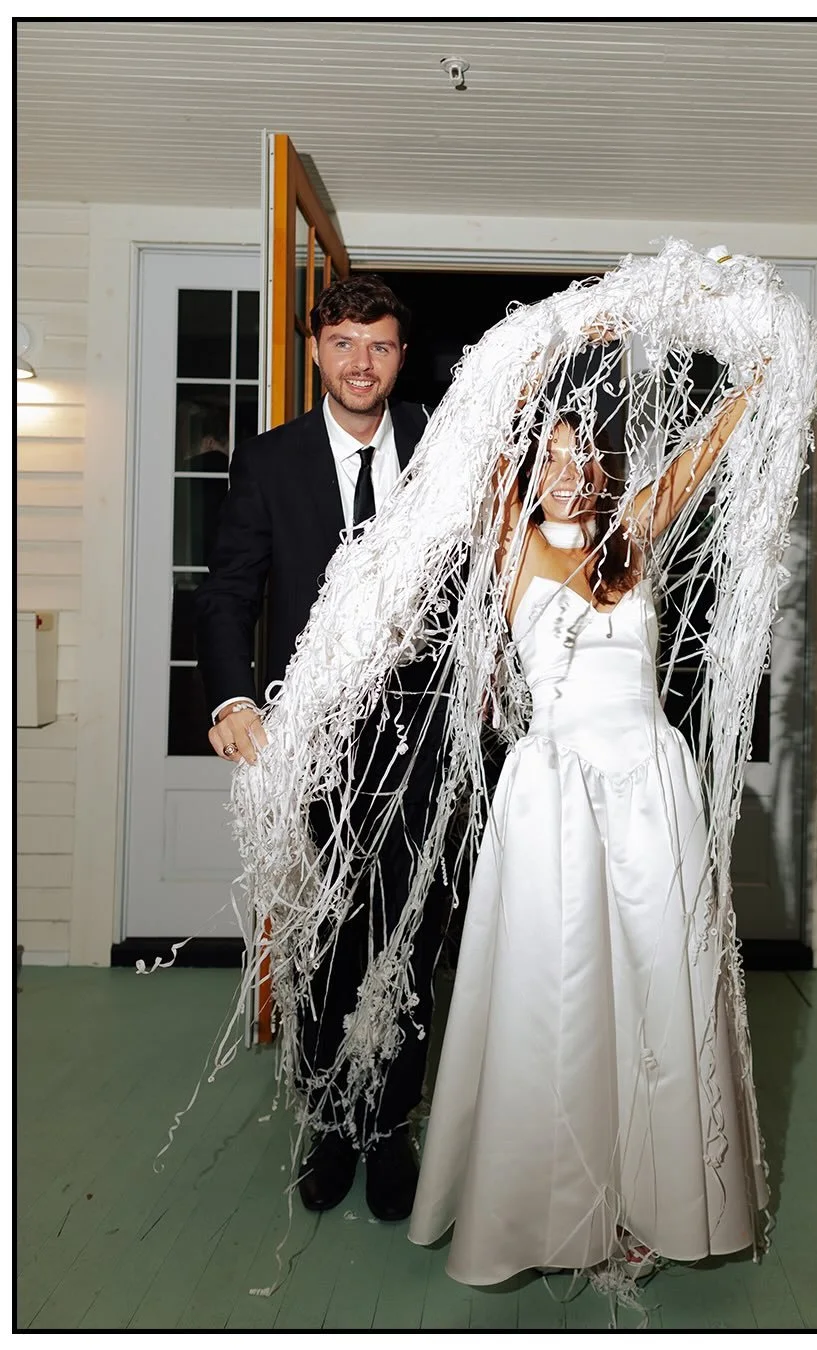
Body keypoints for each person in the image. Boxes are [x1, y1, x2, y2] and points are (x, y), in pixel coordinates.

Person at [406, 386, 770, 1285]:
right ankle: (556, 1209)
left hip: (651, 783)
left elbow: (697, 459)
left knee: (655, 985)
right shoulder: (510, 541)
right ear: (530, 467)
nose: (571, 475)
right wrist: (560, 347)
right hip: (557, 791)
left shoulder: (632, 534)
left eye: (585, 456)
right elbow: (488, 435)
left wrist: (761, 372)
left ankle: (656, 1200)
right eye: (553, 457)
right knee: (558, 995)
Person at [195, 273, 445, 1223]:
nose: (361, 363)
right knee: (326, 945)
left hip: (424, 742)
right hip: (312, 748)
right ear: (315, 351)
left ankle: (390, 1133)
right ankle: (332, 1126)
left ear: (399, 356)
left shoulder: (436, 446)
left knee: (411, 939)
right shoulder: (269, 461)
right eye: (343, 344)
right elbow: (227, 593)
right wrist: (229, 697)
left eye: (379, 345)